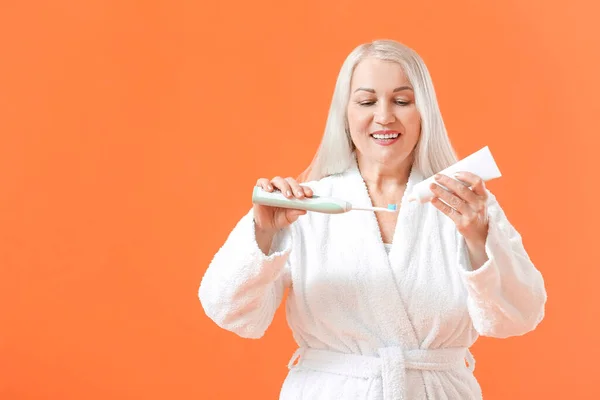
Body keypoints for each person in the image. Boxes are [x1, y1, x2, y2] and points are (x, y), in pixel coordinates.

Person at [198, 39, 547, 400]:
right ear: (345, 114)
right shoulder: (303, 207)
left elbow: (519, 317)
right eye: (367, 102)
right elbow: (230, 311)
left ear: (424, 111)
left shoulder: (466, 206)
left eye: (402, 101)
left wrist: (479, 239)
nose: (384, 117)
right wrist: (263, 235)